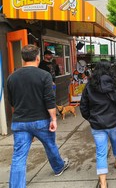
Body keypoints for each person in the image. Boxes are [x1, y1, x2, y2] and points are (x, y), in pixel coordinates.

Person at [7, 45, 69, 188]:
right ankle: (59, 167)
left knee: (18, 157)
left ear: (23, 58)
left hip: (20, 122)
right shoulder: (44, 75)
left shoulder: (12, 77)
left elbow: (11, 101)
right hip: (41, 120)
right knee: (50, 145)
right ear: (37, 57)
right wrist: (53, 119)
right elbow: (49, 100)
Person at [80, 61, 116, 188]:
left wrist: (90, 118)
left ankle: (103, 183)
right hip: (114, 121)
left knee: (101, 152)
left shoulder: (90, 85)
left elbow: (83, 106)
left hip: (97, 124)